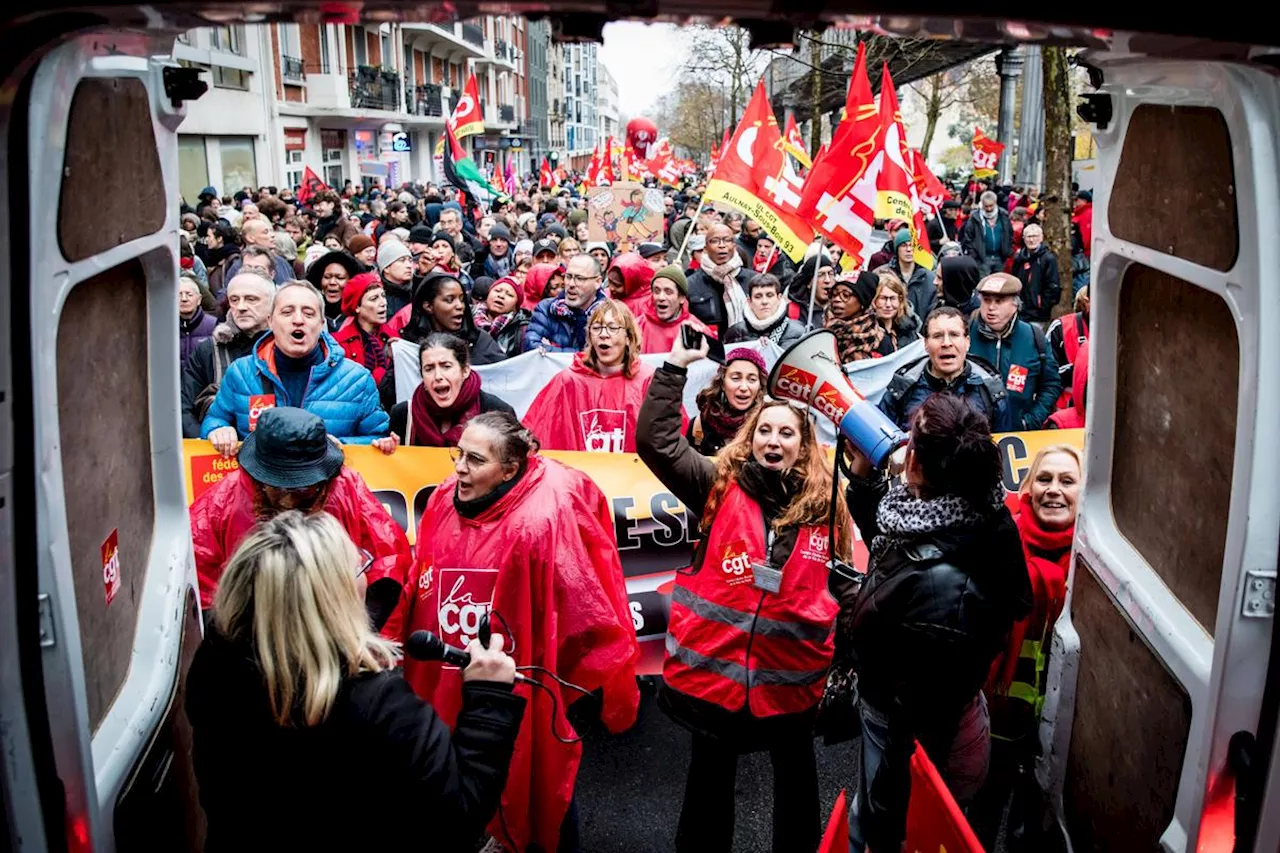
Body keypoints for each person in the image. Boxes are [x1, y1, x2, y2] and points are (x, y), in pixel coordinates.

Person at [186, 509, 524, 853]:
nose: (368, 577)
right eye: (360, 567)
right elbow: (457, 818)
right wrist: (489, 698)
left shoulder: (213, 664)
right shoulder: (379, 704)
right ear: (333, 599)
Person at [636, 331, 851, 853]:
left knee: (797, 799)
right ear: (750, 437)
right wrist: (672, 369)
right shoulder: (715, 485)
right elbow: (656, 442)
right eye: (765, 431)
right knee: (707, 798)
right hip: (717, 682)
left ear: (805, 446)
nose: (773, 441)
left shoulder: (830, 506)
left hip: (791, 688)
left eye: (786, 433)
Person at [401, 411, 640, 853]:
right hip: (450, 671)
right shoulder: (440, 501)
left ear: (510, 469)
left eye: (475, 460)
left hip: (522, 682)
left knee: (534, 779)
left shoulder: (541, 521)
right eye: (458, 454)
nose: (459, 468)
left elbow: (580, 605)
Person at [835, 393, 1032, 853]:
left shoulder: (947, 594)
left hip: (915, 742)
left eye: (913, 437)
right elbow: (892, 541)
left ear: (919, 466)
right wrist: (863, 478)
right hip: (898, 717)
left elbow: (918, 729)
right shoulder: (956, 511)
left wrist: (885, 821)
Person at [190, 407, 410, 633]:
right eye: (279, 487)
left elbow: (389, 562)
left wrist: (366, 638)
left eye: (303, 489)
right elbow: (197, 585)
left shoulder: (346, 487)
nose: (288, 499)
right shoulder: (223, 502)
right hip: (254, 638)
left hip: (334, 633)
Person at [972, 445, 1082, 849]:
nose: (1054, 490)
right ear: (1029, 489)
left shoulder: (1095, 564)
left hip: (1061, 727)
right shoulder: (997, 544)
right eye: (1045, 478)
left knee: (1035, 831)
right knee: (979, 819)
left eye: (1067, 481)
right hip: (996, 716)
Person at [201, 281, 391, 451]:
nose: (298, 319)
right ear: (270, 321)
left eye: (308, 313)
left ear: (321, 323)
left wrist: (342, 446)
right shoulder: (241, 373)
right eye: (287, 312)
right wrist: (218, 430)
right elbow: (214, 419)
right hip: (260, 487)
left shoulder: (357, 379)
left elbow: (378, 437)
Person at [524, 300, 655, 453]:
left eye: (612, 328)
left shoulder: (648, 381)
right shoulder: (567, 381)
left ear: (628, 337)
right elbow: (538, 436)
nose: (603, 334)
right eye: (597, 328)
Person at [879, 306, 1013, 432]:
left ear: (967, 342)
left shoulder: (991, 392)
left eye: (954, 334)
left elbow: (1002, 449)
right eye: (937, 336)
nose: (946, 343)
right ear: (926, 344)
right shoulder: (901, 389)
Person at [182, 273, 274, 438]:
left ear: (272, 304)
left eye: (251, 299)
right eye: (234, 300)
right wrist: (206, 437)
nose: (241, 307)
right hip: (220, 456)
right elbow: (184, 405)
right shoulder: (210, 349)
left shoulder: (287, 347)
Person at [967, 274, 1062, 430]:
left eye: (999, 301)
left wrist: (1031, 421)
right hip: (972, 434)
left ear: (1015, 305)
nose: (991, 307)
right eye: (986, 300)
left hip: (1018, 435)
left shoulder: (1034, 337)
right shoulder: (965, 334)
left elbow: (1050, 384)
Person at [390, 333, 515, 446]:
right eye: (429, 369)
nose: (438, 376)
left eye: (446, 366)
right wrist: (387, 451)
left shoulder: (497, 411)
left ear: (465, 371)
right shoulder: (404, 414)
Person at [392, 271, 506, 364]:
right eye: (449, 300)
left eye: (462, 299)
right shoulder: (410, 345)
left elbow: (505, 376)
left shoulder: (480, 341)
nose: (460, 306)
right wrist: (396, 357)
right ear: (428, 306)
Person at [331, 271, 395, 411]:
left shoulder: (394, 339)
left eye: (383, 296)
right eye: (374, 299)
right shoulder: (339, 344)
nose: (383, 303)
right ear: (357, 307)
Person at [685, 348, 766, 455]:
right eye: (736, 378)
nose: (744, 387)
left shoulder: (766, 424)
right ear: (722, 383)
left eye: (752, 379)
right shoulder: (699, 426)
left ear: (760, 385)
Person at [524, 254, 606, 353]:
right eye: (568, 276)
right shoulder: (547, 309)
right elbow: (532, 347)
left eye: (580, 278)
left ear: (597, 282)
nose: (571, 284)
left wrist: (552, 350)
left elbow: (604, 355)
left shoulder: (610, 315)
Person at [686, 222, 753, 339]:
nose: (722, 245)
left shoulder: (753, 281)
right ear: (705, 249)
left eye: (727, 240)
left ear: (734, 246)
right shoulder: (690, 284)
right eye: (715, 241)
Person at [635, 265, 714, 353]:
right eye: (656, 291)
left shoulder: (697, 329)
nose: (661, 297)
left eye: (668, 292)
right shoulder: (637, 327)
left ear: (681, 298)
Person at [725, 273, 806, 348]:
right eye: (758, 296)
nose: (764, 301)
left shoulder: (799, 332)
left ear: (779, 298)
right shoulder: (735, 332)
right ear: (749, 301)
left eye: (769, 295)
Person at [1047, 286, 1089, 409]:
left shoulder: (1121, 326)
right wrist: (1078, 369)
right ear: (1086, 300)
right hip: (1065, 407)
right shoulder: (1061, 327)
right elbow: (1047, 375)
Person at [826, 273, 884, 363]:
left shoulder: (880, 340)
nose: (836, 299)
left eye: (846, 295)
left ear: (862, 302)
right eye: (834, 294)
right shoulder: (824, 336)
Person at [1011, 223, 1061, 322]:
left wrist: (1043, 305)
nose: (1032, 240)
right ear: (1024, 238)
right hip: (1021, 310)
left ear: (1041, 238)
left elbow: (1053, 285)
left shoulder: (1048, 259)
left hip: (1039, 312)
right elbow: (1014, 280)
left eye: (1035, 236)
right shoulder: (1019, 258)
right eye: (1029, 236)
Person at [473, 275, 531, 358]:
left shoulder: (522, 329)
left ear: (516, 306)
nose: (501, 296)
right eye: (497, 291)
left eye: (509, 295)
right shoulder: (467, 315)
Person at [885, 229, 936, 322]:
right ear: (897, 249)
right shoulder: (884, 274)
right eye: (904, 245)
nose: (908, 249)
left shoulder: (930, 278)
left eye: (912, 245)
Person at [306, 249, 363, 331]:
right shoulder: (311, 312)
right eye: (327, 277)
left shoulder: (360, 315)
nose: (332, 282)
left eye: (340, 278)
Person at [961, 191, 1015, 276]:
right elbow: (968, 238)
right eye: (986, 206)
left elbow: (1010, 234)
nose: (989, 209)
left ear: (995, 203)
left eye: (991, 206)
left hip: (1000, 257)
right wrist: (975, 254)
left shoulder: (1003, 215)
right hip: (982, 258)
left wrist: (1008, 250)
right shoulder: (975, 217)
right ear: (982, 204)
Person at [871, 274, 922, 356]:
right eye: (883, 298)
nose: (888, 304)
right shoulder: (868, 332)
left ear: (900, 300)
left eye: (892, 298)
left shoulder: (909, 331)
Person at [788, 251, 835, 330]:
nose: (827, 280)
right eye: (820, 275)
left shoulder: (842, 311)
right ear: (809, 283)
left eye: (830, 274)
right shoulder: (794, 311)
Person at [179, 275, 216, 367]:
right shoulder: (165, 326)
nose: (184, 299)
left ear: (199, 300)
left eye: (189, 294)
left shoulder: (214, 325)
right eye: (179, 295)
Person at [605, 251, 656, 318]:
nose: (611, 288)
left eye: (617, 285)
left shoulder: (647, 304)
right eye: (609, 281)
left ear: (633, 283)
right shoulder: (605, 294)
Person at [377, 239, 416, 318]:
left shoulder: (416, 289)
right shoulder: (378, 296)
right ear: (386, 268)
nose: (408, 265)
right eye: (402, 261)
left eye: (410, 260)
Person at [1070, 190, 1093, 295]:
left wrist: (1085, 252)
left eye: (1077, 199)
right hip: (1081, 254)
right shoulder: (1081, 212)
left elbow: (1086, 237)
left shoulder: (1086, 213)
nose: (1075, 202)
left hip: (1082, 255)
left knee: (1080, 282)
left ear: (1084, 200)